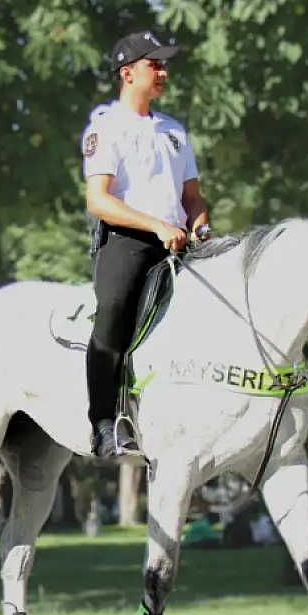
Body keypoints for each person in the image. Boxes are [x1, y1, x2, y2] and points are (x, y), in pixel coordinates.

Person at [80, 30, 212, 459]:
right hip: (129, 242)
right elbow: (99, 200)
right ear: (127, 72)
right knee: (114, 312)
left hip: (176, 242)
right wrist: (156, 225)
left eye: (163, 64)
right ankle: (103, 421)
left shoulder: (174, 131)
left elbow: (191, 197)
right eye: (154, 64)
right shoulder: (106, 128)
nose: (162, 71)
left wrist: (200, 222)